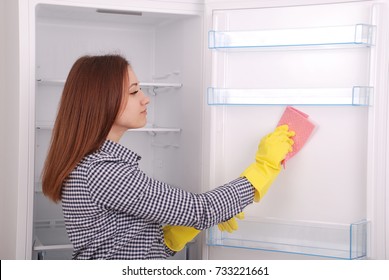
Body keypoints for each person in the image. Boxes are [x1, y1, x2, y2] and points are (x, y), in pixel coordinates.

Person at [41, 54, 294, 260]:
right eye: (133, 91)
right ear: (102, 101)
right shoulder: (103, 171)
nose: (145, 99)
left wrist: (172, 237)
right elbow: (201, 210)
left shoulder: (94, 166)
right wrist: (265, 167)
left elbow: (128, 252)